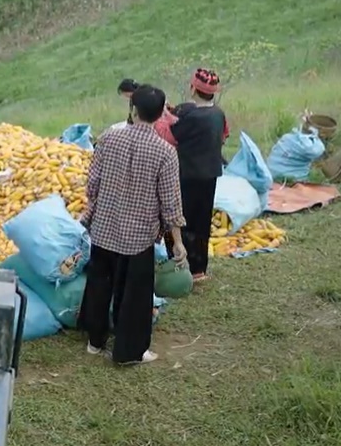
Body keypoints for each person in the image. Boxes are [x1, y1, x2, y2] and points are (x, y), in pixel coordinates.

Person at [78, 84, 187, 365]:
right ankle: (129, 351)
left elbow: (93, 187)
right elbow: (171, 203)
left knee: (99, 286)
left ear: (132, 109)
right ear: (162, 114)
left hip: (103, 230)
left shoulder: (108, 139)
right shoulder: (164, 152)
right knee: (135, 296)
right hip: (137, 238)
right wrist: (178, 243)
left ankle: (95, 341)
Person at [169, 68, 228, 283]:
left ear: (193, 88)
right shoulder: (218, 113)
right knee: (202, 221)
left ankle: (182, 268)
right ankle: (200, 269)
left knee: (183, 221)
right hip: (210, 174)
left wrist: (167, 115)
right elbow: (223, 136)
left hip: (187, 175)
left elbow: (171, 136)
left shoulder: (192, 116)